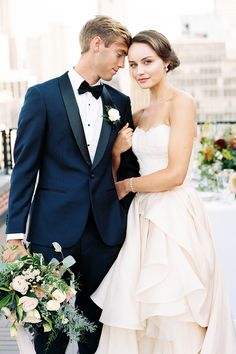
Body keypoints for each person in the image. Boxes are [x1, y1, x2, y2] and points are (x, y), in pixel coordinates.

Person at [91, 30, 236, 353]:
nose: (139, 71)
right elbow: (122, 167)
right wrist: (116, 153)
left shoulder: (182, 103)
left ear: (167, 62)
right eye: (132, 64)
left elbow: (175, 174)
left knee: (175, 307)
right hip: (142, 217)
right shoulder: (138, 115)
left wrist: (127, 186)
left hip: (173, 215)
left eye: (148, 62)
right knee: (141, 311)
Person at [4, 15, 139, 354]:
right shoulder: (42, 96)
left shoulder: (119, 103)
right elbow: (25, 168)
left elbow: (125, 169)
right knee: (52, 331)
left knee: (97, 327)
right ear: (97, 44)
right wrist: (15, 235)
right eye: (120, 54)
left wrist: (120, 210)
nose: (123, 65)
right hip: (53, 233)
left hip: (105, 234)